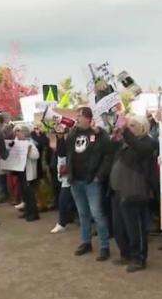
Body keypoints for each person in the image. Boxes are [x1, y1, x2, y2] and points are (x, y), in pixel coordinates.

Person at [110, 115, 156, 273]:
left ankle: (139, 258)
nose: (129, 128)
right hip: (119, 190)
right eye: (128, 125)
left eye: (132, 125)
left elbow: (140, 149)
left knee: (135, 227)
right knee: (119, 226)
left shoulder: (147, 142)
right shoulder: (127, 142)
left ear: (143, 127)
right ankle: (126, 253)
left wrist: (125, 133)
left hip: (136, 191)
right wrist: (115, 138)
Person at [66, 107, 113, 261]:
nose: (77, 119)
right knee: (83, 213)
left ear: (88, 118)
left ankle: (104, 246)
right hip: (76, 180)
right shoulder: (73, 133)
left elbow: (108, 154)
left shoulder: (99, 134)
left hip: (92, 180)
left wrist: (99, 176)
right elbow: (66, 152)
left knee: (97, 214)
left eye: (79, 116)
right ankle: (86, 242)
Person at [50, 125, 75, 233]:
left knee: (63, 199)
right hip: (66, 174)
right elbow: (60, 154)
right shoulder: (63, 141)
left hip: (71, 174)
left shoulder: (71, 140)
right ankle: (65, 220)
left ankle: (62, 222)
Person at [14, 125, 41, 222]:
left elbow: (36, 155)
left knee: (30, 194)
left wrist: (28, 152)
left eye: (19, 131)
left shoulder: (30, 143)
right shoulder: (17, 143)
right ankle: (27, 212)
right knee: (24, 194)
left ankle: (33, 214)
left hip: (28, 172)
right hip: (21, 171)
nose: (17, 133)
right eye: (16, 131)